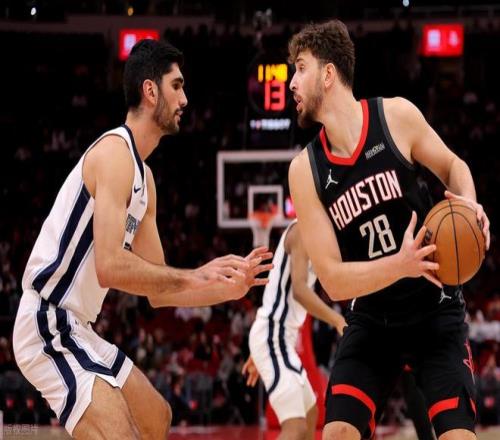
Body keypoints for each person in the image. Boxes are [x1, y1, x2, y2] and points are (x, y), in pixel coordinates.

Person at [12, 39, 273, 439]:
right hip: (47, 320)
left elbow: (159, 292)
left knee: (156, 418)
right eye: (177, 86)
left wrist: (227, 289)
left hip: (77, 326)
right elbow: (110, 266)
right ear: (150, 91)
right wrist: (195, 274)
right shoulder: (114, 153)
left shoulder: (144, 179)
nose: (184, 99)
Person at [287, 20, 490, 440]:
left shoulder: (395, 116)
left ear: (328, 74)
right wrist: (401, 264)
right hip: (372, 321)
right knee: (337, 434)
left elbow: (453, 166)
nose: (292, 82)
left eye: (300, 68)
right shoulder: (304, 170)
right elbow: (332, 280)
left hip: (434, 310)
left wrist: (468, 204)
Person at [243, 220, 346, 440]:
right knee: (295, 427)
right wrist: (337, 320)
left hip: (277, 338)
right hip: (273, 334)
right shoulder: (301, 230)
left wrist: (260, 352)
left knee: (310, 415)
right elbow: (299, 290)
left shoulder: (318, 236)